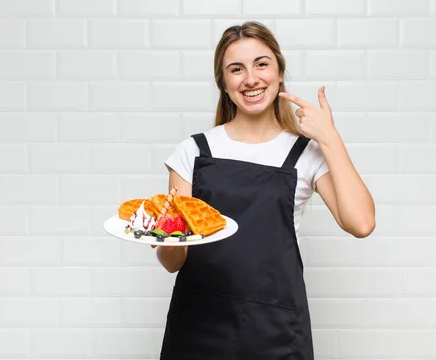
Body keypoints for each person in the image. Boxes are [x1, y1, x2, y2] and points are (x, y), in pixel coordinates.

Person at [156, 21, 375, 359]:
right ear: (223, 83)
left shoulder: (306, 154)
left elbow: (361, 223)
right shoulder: (194, 152)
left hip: (277, 331)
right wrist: (165, 236)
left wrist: (329, 136)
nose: (251, 79)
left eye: (261, 63)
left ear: (279, 71)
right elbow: (173, 262)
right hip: (199, 329)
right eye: (236, 69)